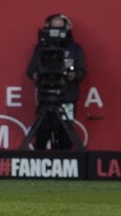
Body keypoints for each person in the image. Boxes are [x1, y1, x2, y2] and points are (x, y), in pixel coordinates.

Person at [26, 14, 86, 150]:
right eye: (54, 27)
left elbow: (82, 73)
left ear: (67, 28)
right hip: (45, 99)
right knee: (41, 135)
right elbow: (30, 71)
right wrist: (38, 75)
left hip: (66, 97)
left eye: (61, 28)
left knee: (65, 137)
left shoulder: (75, 49)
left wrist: (73, 75)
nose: (57, 32)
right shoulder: (40, 48)